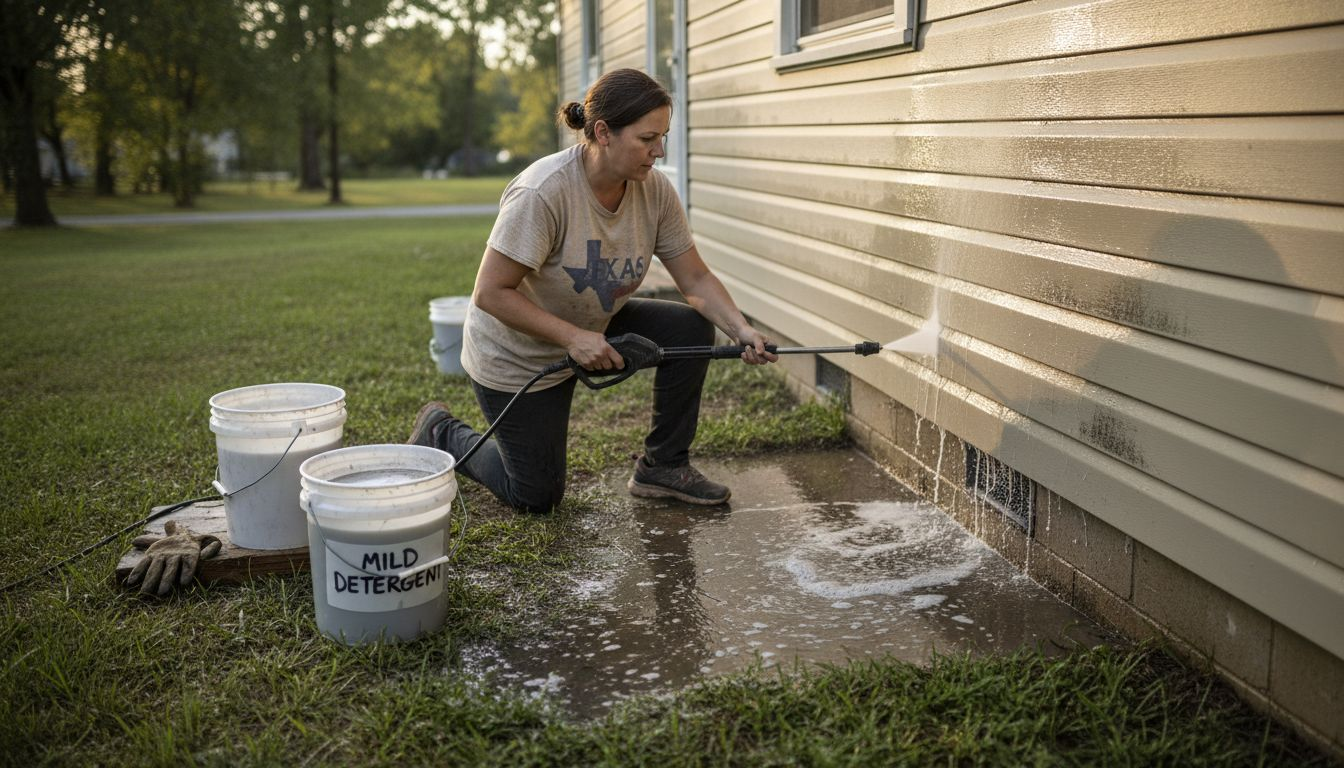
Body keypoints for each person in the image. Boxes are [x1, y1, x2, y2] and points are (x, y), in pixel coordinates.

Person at [409, 68, 777, 513]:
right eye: (647, 139)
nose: (659, 152)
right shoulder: (543, 192)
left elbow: (695, 280)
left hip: (593, 322)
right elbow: (490, 293)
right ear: (603, 132)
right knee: (536, 496)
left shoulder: (654, 191)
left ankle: (662, 466)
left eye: (662, 137)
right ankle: (440, 431)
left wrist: (741, 329)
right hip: (517, 354)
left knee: (691, 327)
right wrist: (572, 338)